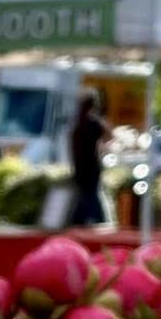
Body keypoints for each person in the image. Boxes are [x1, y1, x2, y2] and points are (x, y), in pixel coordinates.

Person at [69, 89, 112, 226]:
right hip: (92, 164)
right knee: (92, 194)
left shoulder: (78, 123)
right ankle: (96, 219)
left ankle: (80, 219)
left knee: (84, 193)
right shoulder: (94, 122)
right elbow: (109, 136)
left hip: (79, 164)